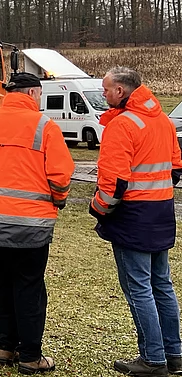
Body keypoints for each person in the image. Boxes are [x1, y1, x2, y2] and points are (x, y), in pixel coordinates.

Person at [0, 71, 74, 374]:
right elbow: (60, 175)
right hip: (31, 224)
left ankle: (5, 347)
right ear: (33, 94)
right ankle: (30, 356)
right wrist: (58, 199)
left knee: (1, 284)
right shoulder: (45, 126)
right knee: (29, 287)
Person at [90, 67, 182, 377]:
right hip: (161, 212)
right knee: (162, 285)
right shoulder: (163, 121)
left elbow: (114, 182)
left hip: (132, 215)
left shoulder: (122, 125)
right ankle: (174, 354)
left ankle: (153, 359)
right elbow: (176, 168)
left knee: (139, 289)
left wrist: (98, 208)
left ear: (121, 91)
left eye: (106, 89)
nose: (103, 94)